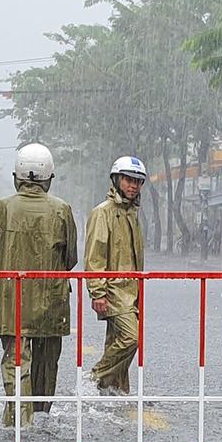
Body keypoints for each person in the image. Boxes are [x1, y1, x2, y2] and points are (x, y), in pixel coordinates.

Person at [0, 143, 78, 427]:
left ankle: (20, 421)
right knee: (46, 365)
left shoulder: (0, 208)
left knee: (15, 362)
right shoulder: (62, 210)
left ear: (16, 176)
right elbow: (70, 257)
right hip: (52, 300)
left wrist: (10, 272)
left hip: (13, 298)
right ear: (49, 177)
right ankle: (40, 418)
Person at [84, 155, 147, 395]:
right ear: (117, 180)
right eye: (129, 180)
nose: (133, 185)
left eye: (138, 181)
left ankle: (115, 392)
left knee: (116, 343)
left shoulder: (131, 212)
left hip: (132, 289)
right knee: (131, 338)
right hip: (114, 290)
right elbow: (95, 255)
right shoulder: (103, 212)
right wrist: (97, 292)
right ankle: (93, 380)